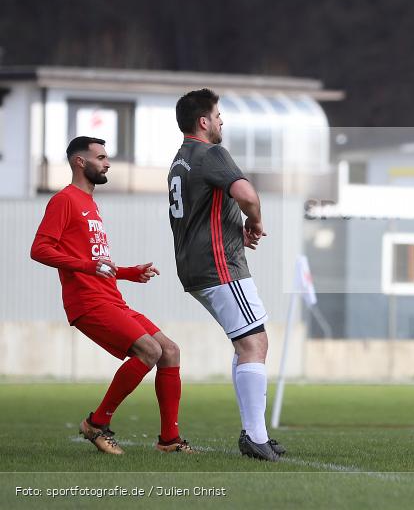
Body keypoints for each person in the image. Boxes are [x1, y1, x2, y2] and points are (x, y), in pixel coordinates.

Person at [31, 136, 193, 454]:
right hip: (88, 303)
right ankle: (96, 423)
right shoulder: (65, 200)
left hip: (112, 298)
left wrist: (131, 272)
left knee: (170, 351)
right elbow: (39, 249)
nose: (107, 163)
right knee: (149, 350)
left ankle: (169, 441)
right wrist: (87, 266)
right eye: (101, 157)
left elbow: (97, 263)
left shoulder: (91, 204)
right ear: (80, 162)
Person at [167, 88, 285, 461]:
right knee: (255, 345)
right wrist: (255, 220)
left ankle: (256, 433)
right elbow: (247, 194)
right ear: (203, 122)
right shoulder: (211, 153)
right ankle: (255, 437)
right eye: (218, 115)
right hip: (219, 266)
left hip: (195, 266)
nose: (221, 122)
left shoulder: (180, 160)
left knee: (247, 343)